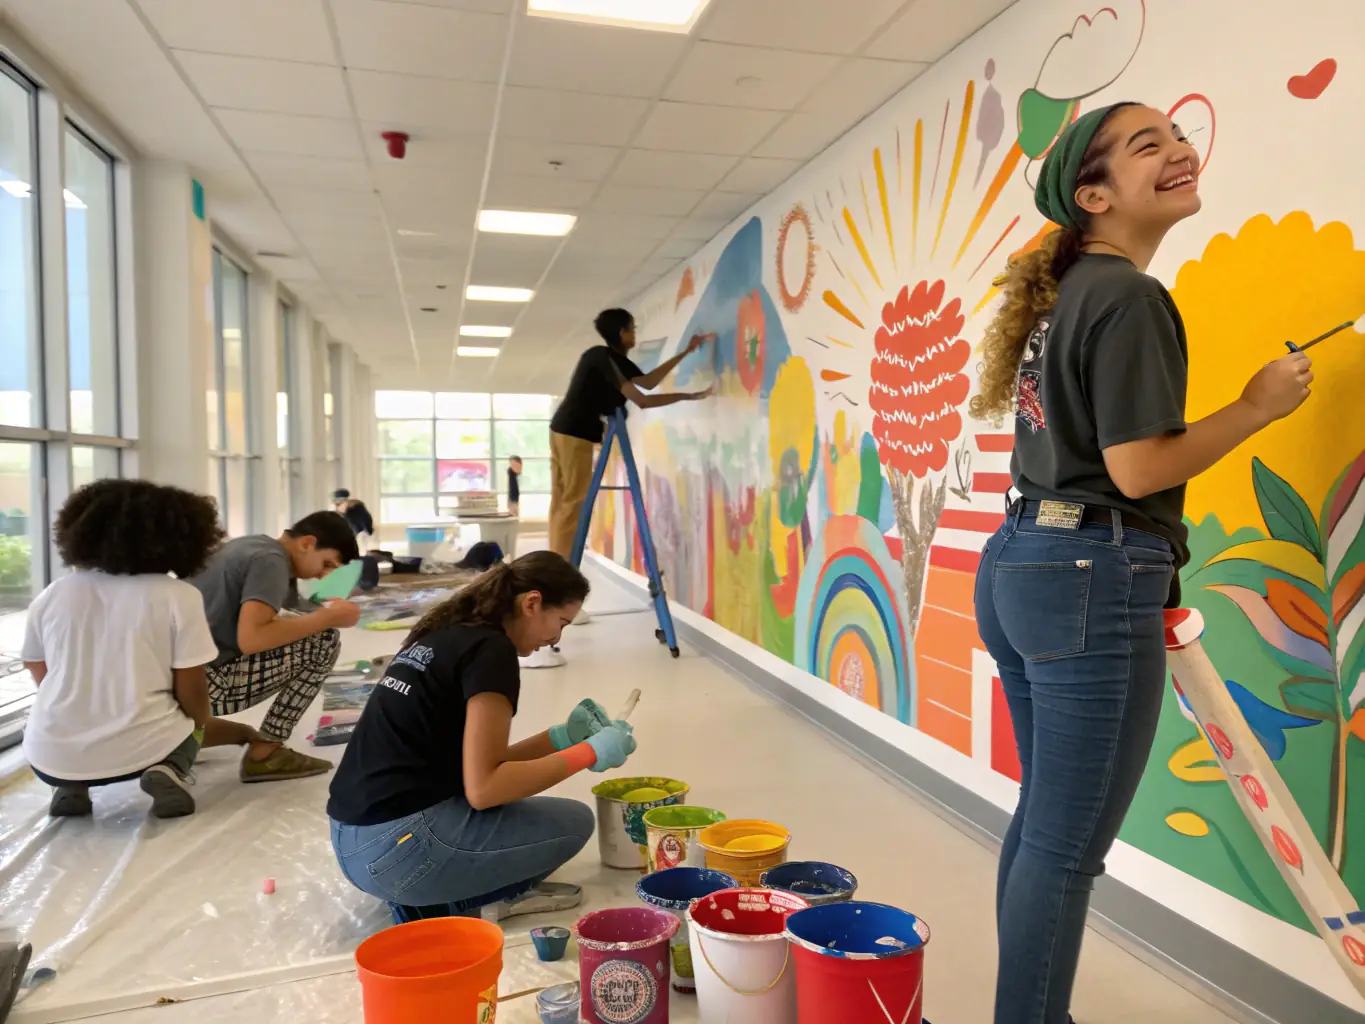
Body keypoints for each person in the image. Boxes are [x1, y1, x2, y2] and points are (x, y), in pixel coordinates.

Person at [969, 103, 1313, 1024]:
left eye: (1177, 134)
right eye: (1145, 145)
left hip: (1021, 562)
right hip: (1087, 571)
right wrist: (1256, 405)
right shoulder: (1124, 296)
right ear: (1094, 195)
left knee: (1044, 827)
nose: (1178, 150)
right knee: (1067, 845)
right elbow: (1139, 468)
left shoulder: (1071, 295)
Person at [328, 552, 635, 923]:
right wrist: (588, 753)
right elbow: (486, 789)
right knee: (574, 823)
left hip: (354, 843)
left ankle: (430, 887)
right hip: (397, 853)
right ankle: (471, 903)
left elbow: (477, 765)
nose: (556, 637)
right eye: (561, 623)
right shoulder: (493, 652)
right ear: (532, 603)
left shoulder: (448, 633)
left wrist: (560, 738)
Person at [22, 480, 260, 819]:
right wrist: (198, 726)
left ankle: (69, 785)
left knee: (57, 736)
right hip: (144, 749)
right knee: (187, 728)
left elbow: (35, 664)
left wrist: (70, 701)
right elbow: (191, 685)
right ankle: (167, 770)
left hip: (49, 754)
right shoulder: (177, 596)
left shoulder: (54, 593)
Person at [191, 511, 362, 783]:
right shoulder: (271, 561)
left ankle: (189, 732)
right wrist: (327, 618)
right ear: (307, 543)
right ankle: (266, 751)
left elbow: (277, 615)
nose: (322, 575)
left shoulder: (251, 545)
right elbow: (253, 638)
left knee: (312, 629)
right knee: (324, 640)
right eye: (327, 563)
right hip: (201, 688)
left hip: (176, 684)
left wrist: (319, 612)